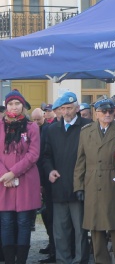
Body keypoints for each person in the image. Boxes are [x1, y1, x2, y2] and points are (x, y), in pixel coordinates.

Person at [74, 98, 115, 264]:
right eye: (104, 111)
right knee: (95, 228)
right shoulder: (86, 131)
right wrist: (78, 186)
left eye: (110, 111)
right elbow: (81, 161)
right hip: (92, 183)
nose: (108, 114)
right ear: (96, 113)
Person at [43, 92, 91, 264]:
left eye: (70, 108)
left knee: (80, 230)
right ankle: (63, 260)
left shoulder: (87, 126)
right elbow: (46, 155)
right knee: (60, 230)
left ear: (77, 108)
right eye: (63, 108)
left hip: (80, 186)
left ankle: (80, 260)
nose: (66, 112)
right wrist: (50, 170)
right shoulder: (52, 129)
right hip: (58, 186)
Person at [0, 89, 41, 264]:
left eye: (17, 103)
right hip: (3, 182)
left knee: (24, 223)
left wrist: (13, 172)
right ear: (6, 106)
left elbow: (33, 154)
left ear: (22, 105)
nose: (14, 107)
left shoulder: (32, 127)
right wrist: (4, 175)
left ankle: (21, 261)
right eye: (10, 104)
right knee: (7, 222)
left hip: (26, 180)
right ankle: (9, 260)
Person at [31, 108, 56, 263]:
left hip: (47, 179)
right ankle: (51, 244)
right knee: (46, 215)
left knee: (50, 215)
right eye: (33, 120)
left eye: (38, 120)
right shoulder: (34, 130)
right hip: (41, 179)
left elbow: (42, 156)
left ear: (44, 118)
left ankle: (53, 247)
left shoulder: (47, 130)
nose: (35, 123)